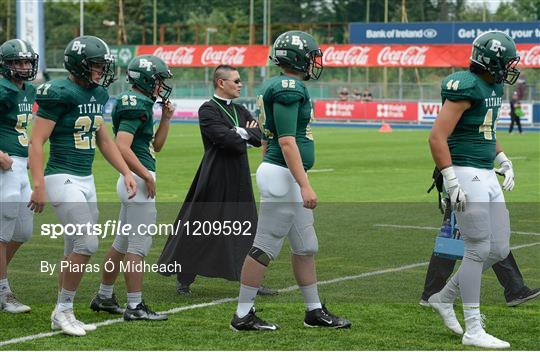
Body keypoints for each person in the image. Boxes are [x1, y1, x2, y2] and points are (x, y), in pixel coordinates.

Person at [230, 30, 351, 331]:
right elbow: (285, 141)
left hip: (283, 175)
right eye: (310, 57)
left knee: (306, 245)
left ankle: (313, 310)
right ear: (297, 59)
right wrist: (305, 183)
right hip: (284, 176)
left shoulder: (281, 85)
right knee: (266, 245)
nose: (314, 63)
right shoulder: (287, 87)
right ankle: (243, 314)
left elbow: (268, 142)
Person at [28, 35, 137, 336]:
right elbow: (37, 140)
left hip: (85, 178)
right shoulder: (59, 91)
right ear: (79, 65)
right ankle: (62, 310)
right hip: (61, 176)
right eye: (96, 65)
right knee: (87, 243)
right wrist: (37, 184)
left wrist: (125, 170)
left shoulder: (98, 94)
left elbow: (103, 138)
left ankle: (64, 311)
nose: (102, 70)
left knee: (73, 247)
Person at [428, 31, 521, 349]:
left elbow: (486, 127)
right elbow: (437, 137)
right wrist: (451, 180)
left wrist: (502, 157)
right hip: (464, 171)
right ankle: (473, 328)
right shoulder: (464, 86)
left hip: (486, 171)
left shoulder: (492, 85)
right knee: (477, 248)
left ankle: (444, 298)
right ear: (490, 62)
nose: (509, 68)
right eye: (505, 62)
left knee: (499, 248)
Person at [158, 65, 265, 295]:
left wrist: (238, 133)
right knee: (201, 227)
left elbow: (258, 136)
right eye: (236, 81)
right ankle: (184, 278)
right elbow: (223, 138)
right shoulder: (207, 109)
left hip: (239, 177)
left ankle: (251, 281)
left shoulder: (240, 109)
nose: (240, 84)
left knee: (247, 227)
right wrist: (242, 133)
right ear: (221, 83)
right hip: (214, 176)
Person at [89, 55, 174, 321]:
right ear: (147, 79)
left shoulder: (142, 103)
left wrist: (166, 118)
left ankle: (104, 296)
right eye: (159, 79)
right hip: (136, 182)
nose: (161, 85)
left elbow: (156, 146)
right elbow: (122, 146)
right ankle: (135, 306)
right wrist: (146, 177)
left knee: (122, 244)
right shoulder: (135, 103)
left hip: (134, 180)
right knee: (138, 247)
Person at [419, 199, 540, 308]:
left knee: (493, 240)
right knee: (450, 243)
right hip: (465, 191)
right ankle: (432, 294)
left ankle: (515, 289)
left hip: (477, 190)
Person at [0, 39, 38, 314]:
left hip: (22, 165)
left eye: (27, 62)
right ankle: (4, 292)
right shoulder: (1, 89)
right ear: (6, 64)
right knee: (2, 232)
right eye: (18, 62)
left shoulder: (30, 90)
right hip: (6, 165)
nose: (24, 67)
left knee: (23, 231)